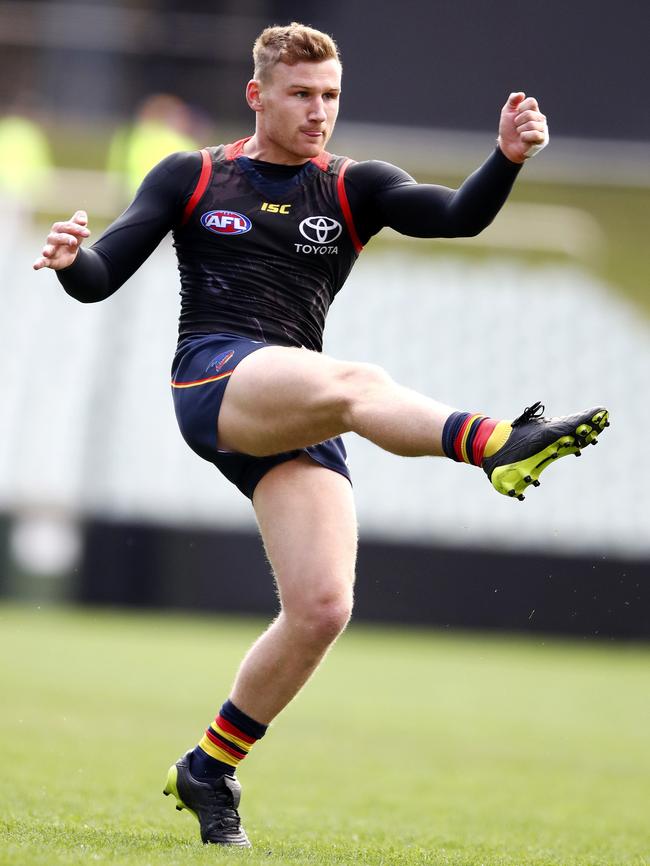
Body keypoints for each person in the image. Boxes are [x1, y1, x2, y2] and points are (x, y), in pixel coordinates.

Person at [33, 22, 609, 848]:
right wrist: (69, 258)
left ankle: (209, 768)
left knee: (322, 608)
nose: (318, 112)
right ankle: (495, 445)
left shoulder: (352, 185)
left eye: (331, 96)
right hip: (216, 377)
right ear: (257, 94)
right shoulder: (192, 174)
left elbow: (454, 218)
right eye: (301, 94)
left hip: (293, 401)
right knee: (357, 385)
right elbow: (101, 276)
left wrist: (507, 159)